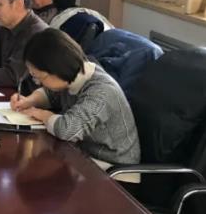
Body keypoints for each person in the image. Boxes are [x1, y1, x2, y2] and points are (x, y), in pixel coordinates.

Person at [10, 28, 140, 165]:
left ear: (57, 68)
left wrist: (42, 115)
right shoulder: (72, 76)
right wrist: (30, 100)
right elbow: (52, 94)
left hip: (112, 167)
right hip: (84, 155)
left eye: (39, 77)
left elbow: (67, 130)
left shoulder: (101, 91)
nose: (38, 82)